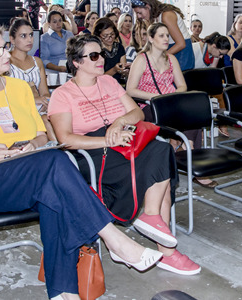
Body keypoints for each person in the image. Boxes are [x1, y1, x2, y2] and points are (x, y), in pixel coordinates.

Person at [0, 25, 163, 299]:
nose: (7, 52)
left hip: (28, 168)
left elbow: (41, 135)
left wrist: (31, 145)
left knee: (53, 187)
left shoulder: (19, 89)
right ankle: (114, 239)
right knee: (53, 165)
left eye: (5, 46)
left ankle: (63, 291)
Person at [48, 34, 201, 276]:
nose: (102, 60)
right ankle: (167, 252)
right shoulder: (63, 95)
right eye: (94, 56)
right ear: (77, 62)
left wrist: (119, 123)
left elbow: (137, 114)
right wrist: (107, 139)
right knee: (157, 162)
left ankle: (151, 217)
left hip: (122, 141)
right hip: (91, 152)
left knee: (161, 149)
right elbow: (65, 139)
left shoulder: (108, 83)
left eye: (102, 54)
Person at [125, 23, 212, 188]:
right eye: (162, 36)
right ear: (151, 39)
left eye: (167, 35)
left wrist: (172, 96)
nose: (166, 39)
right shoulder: (141, 60)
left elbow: (182, 85)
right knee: (182, 117)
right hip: (151, 105)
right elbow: (130, 90)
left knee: (193, 114)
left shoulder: (171, 59)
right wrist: (158, 97)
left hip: (172, 103)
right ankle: (185, 146)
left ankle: (185, 147)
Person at [8, 18, 56, 141]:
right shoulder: (6, 62)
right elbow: (7, 95)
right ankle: (58, 150)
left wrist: (45, 101)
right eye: (23, 36)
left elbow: (44, 92)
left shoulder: (37, 62)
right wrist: (34, 99)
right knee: (45, 119)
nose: (29, 40)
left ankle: (59, 149)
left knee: (52, 116)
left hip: (38, 106)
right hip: (16, 107)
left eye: (31, 35)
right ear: (12, 39)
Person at [132, 0, 194, 71]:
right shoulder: (154, 18)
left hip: (182, 53)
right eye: (136, 13)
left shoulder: (166, 15)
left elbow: (181, 44)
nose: (139, 16)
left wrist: (159, 57)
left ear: (148, 7)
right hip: (171, 51)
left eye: (140, 13)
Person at [93, 17, 127, 81]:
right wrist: (114, 70)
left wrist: (125, 71)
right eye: (105, 36)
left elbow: (123, 71)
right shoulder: (96, 52)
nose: (110, 38)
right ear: (98, 36)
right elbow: (97, 79)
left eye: (112, 34)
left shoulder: (119, 47)